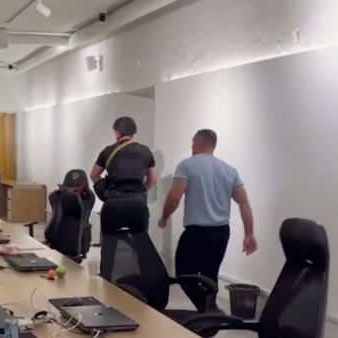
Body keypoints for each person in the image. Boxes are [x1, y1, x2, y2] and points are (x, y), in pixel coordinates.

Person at [157, 129, 257, 311]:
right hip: (221, 232)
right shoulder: (229, 170)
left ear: (200, 143)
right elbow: (244, 202)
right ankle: (209, 311)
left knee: (184, 274)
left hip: (196, 232)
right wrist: (249, 234)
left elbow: (174, 196)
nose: (192, 147)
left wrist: (165, 217)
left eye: (193, 143)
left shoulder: (187, 166)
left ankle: (209, 310)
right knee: (210, 276)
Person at [90, 117, 157, 201]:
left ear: (118, 132)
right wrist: (141, 192)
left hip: (113, 200)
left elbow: (94, 175)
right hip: (137, 201)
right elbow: (152, 179)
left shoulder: (108, 151)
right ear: (133, 132)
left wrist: (105, 191)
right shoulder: (145, 151)